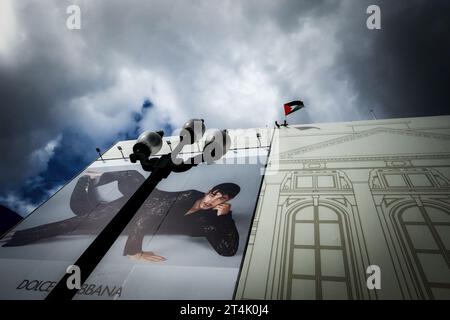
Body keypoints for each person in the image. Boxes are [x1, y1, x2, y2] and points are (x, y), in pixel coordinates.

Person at [3, 170, 241, 261]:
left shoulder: (211, 219)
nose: (215, 201)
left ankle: (87, 194)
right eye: (215, 194)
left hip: (135, 211)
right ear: (210, 191)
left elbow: (227, 250)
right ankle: (89, 178)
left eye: (223, 200)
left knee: (81, 214)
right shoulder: (190, 194)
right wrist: (134, 251)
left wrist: (225, 219)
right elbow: (147, 217)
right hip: (138, 206)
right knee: (129, 175)